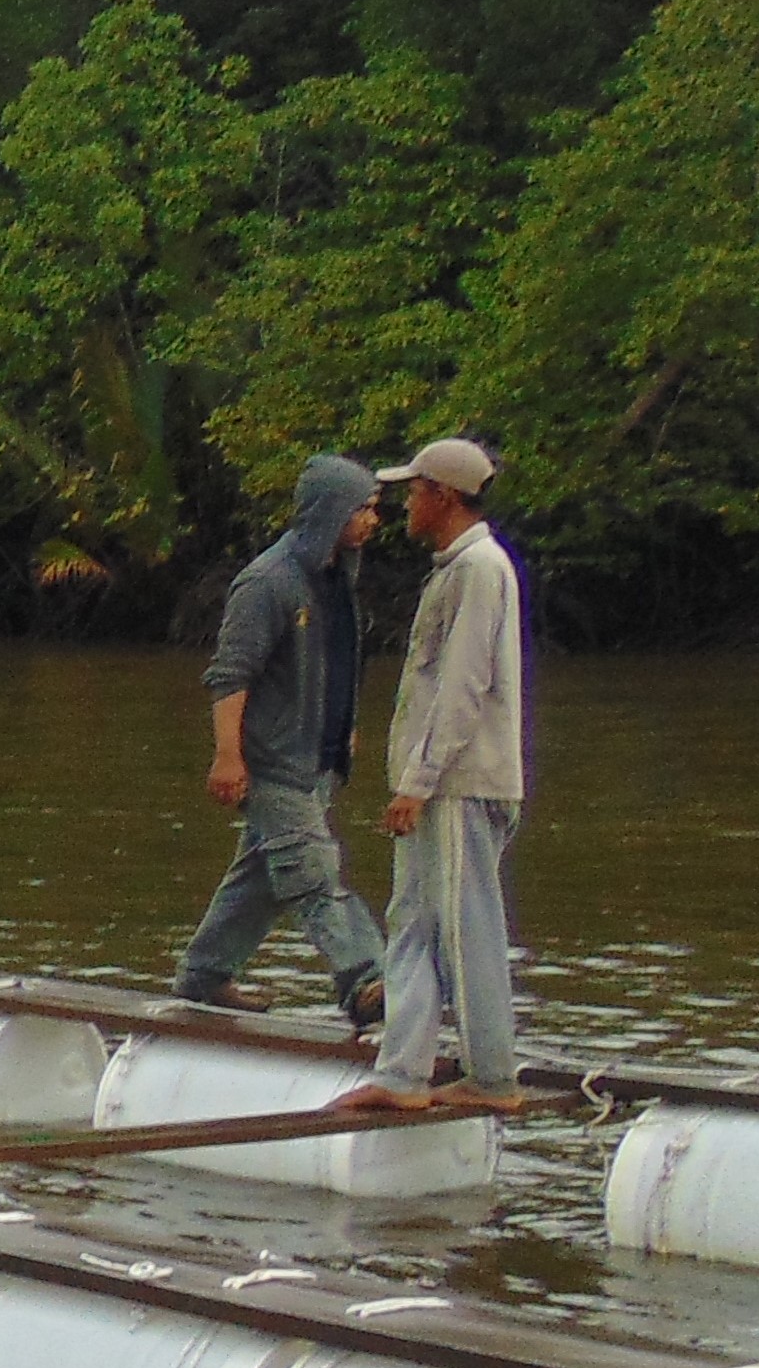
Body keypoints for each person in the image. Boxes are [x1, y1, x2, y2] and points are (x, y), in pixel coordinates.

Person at [344, 439, 530, 1114]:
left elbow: (463, 687)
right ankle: (401, 1073)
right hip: (438, 783)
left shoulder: (479, 567)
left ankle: (491, 1076)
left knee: (465, 925)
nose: (406, 503)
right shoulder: (456, 566)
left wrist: (417, 782)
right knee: (413, 924)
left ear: (445, 496)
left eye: (416, 490)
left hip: (460, 784)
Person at [172, 454, 385, 1025]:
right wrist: (227, 756)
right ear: (329, 511)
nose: (372, 521)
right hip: (270, 761)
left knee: (263, 877)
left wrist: (343, 729)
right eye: (361, 509)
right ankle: (368, 978)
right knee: (312, 872)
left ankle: (204, 975)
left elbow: (334, 660)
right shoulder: (266, 583)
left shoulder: (337, 575)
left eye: (374, 508)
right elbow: (230, 674)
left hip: (314, 758)